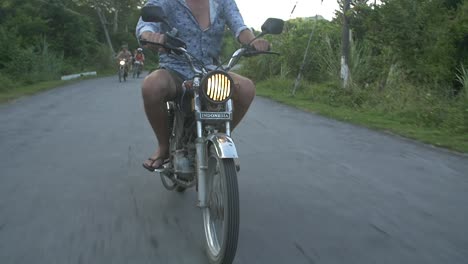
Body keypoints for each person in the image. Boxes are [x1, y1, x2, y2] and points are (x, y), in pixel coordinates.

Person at [136, 0, 270, 171]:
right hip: (175, 68)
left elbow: (240, 27)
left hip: (210, 70)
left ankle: (219, 138)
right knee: (151, 86)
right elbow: (146, 25)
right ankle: (163, 147)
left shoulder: (223, 2)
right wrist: (149, 36)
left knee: (246, 88)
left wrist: (252, 41)